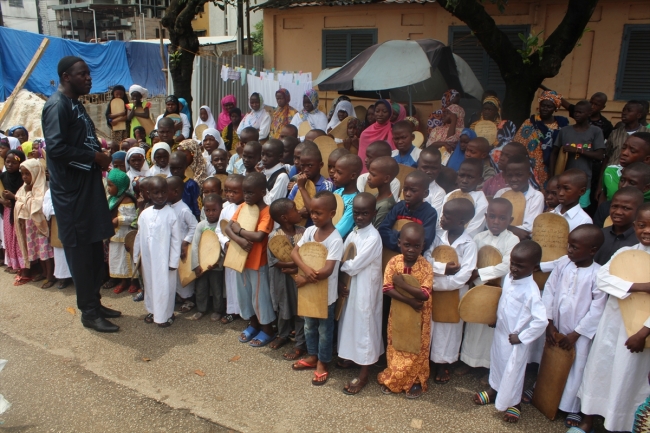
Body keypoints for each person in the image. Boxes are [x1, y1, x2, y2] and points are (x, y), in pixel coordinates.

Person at [42, 56, 118, 333]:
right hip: (71, 194)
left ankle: (95, 302)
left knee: (95, 248)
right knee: (81, 253)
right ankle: (88, 311)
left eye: (89, 73)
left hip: (86, 187)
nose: (89, 78)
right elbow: (57, 149)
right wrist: (94, 157)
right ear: (65, 77)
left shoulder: (75, 104)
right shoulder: (57, 106)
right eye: (82, 74)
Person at [576, 203, 650, 433]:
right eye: (642, 225)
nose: (646, 230)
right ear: (635, 226)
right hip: (613, 324)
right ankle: (588, 418)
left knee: (626, 376)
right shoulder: (623, 253)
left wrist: (644, 332)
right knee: (601, 367)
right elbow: (602, 279)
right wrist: (641, 287)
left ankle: (616, 423)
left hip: (638, 331)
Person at [538, 224, 606, 428]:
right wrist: (549, 322)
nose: (569, 250)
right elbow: (549, 290)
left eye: (575, 247)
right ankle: (543, 393)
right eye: (569, 245)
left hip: (579, 333)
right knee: (550, 359)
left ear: (592, 250)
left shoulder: (598, 274)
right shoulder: (562, 264)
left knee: (577, 366)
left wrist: (576, 334)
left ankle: (571, 406)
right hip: (556, 326)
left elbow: (598, 308)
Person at [473, 240, 546, 424]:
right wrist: (495, 318)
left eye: (520, 266)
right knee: (497, 363)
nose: (514, 268)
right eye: (513, 263)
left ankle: (515, 403)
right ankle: (494, 390)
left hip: (516, 340)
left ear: (534, 267)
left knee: (513, 371)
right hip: (501, 332)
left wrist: (521, 337)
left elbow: (541, 321)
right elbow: (503, 301)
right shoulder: (509, 278)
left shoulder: (531, 291)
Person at [458, 199, 519, 375]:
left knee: (490, 331)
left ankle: (487, 368)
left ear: (510, 220)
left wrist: (480, 273)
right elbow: (470, 261)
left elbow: (507, 265)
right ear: (485, 217)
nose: (496, 222)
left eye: (502, 218)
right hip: (477, 289)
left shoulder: (512, 240)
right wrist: (473, 276)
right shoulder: (478, 238)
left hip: (497, 291)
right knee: (474, 325)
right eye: (492, 217)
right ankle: (469, 362)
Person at [290, 191, 343, 386]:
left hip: (325, 295)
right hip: (309, 292)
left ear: (332, 213)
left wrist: (304, 279)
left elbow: (328, 270)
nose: (313, 216)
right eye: (312, 212)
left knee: (324, 330)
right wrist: (304, 271)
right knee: (309, 325)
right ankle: (312, 356)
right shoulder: (310, 231)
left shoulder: (335, 239)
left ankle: (323, 362)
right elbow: (295, 252)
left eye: (318, 213)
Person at [377, 222, 433, 398]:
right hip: (399, 313)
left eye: (416, 246)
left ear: (422, 246)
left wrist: (401, 284)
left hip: (419, 316)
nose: (411, 249)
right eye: (407, 245)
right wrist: (409, 300)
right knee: (397, 344)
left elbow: (424, 294)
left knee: (416, 348)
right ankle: (394, 378)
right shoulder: (394, 262)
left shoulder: (425, 267)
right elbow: (386, 288)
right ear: (399, 243)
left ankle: (416, 381)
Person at [427, 198, 477, 384]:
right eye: (443, 213)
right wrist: (442, 269)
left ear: (461, 221)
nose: (442, 218)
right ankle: (428, 358)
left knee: (448, 329)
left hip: (453, 292)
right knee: (430, 324)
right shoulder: (437, 236)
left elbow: (465, 275)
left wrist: (438, 285)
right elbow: (427, 259)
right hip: (433, 285)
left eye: (447, 216)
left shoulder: (468, 244)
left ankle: (443, 362)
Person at [337, 193, 383, 395]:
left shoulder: (373, 237)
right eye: (356, 213)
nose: (360, 217)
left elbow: (353, 265)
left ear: (374, 213)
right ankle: (350, 356)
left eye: (365, 213)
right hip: (351, 286)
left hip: (365, 289)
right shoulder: (355, 232)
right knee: (350, 322)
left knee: (365, 327)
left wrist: (337, 265)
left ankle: (364, 374)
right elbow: (345, 253)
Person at [225, 172, 276, 347]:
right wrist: (239, 239)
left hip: (257, 263)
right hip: (240, 259)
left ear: (262, 191)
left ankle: (267, 329)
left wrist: (239, 231)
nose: (246, 196)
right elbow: (228, 227)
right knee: (245, 295)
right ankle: (253, 324)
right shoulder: (243, 207)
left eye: (250, 193)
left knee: (260, 297)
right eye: (244, 192)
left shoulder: (267, 211)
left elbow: (259, 236)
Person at [133, 176, 181, 328]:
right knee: (151, 285)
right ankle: (154, 310)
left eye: (163, 192)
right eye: (155, 193)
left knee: (166, 287)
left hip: (165, 261)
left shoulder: (171, 214)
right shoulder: (144, 214)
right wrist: (136, 256)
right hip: (148, 259)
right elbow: (139, 235)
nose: (160, 196)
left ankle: (167, 314)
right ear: (149, 193)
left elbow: (176, 240)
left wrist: (173, 261)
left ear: (167, 192)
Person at [266, 198, 306, 357]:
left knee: (300, 310)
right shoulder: (274, 236)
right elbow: (273, 261)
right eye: (295, 210)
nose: (299, 212)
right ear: (284, 217)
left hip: (299, 279)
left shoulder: (303, 232)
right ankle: (282, 334)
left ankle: (300, 343)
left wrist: (296, 268)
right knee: (284, 307)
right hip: (281, 280)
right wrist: (291, 265)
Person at [550, 100, 605, 208]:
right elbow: (554, 153)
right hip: (563, 181)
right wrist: (552, 177)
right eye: (575, 112)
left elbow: (599, 155)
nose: (576, 115)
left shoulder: (595, 131)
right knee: (561, 208)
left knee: (580, 209)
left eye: (580, 112)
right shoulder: (565, 131)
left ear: (589, 113)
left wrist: (577, 150)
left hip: (584, 181)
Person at [513, 90, 569, 187]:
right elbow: (518, 144)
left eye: (549, 106)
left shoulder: (560, 125)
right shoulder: (529, 123)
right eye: (543, 105)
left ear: (555, 108)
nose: (545, 109)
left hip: (551, 169)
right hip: (530, 168)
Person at [14, 158, 56, 288]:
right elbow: (19, 200)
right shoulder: (25, 187)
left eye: (28, 174)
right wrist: (24, 199)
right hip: (30, 225)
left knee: (45, 251)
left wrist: (24, 199)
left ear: (36, 173)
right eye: (23, 174)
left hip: (40, 225)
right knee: (37, 249)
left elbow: (36, 205)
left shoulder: (41, 187)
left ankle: (50, 276)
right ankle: (43, 272)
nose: (25, 177)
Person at [379, 170, 437, 254]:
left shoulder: (430, 214)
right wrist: (401, 245)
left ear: (425, 193)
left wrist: (396, 234)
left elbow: (425, 241)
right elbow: (383, 229)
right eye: (405, 189)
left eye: (413, 191)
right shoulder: (398, 207)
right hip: (391, 253)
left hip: (414, 258)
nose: (407, 194)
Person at [188, 194, 224, 321]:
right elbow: (195, 246)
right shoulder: (201, 225)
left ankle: (217, 310)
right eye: (207, 210)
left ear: (221, 209)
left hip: (216, 265)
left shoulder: (222, 226)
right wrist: (196, 265)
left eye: (214, 210)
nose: (211, 213)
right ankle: (201, 309)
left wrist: (219, 262)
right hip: (202, 264)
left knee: (217, 288)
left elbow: (224, 246)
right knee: (201, 288)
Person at [494, 154, 545, 240]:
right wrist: (512, 228)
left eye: (519, 175)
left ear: (529, 175)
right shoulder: (501, 193)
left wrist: (501, 227)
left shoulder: (536, 196)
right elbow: (490, 221)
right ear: (505, 175)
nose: (513, 179)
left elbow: (528, 230)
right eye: (510, 175)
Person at [216, 174, 244, 324]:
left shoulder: (248, 208)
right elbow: (219, 230)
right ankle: (233, 310)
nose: (230, 195)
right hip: (230, 251)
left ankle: (247, 313)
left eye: (234, 192)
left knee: (244, 283)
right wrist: (225, 242)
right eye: (227, 191)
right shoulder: (226, 208)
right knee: (232, 282)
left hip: (244, 251)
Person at [167, 176, 198, 312]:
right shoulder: (168, 207)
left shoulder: (184, 209)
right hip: (171, 247)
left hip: (182, 248)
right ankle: (179, 296)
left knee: (184, 274)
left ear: (176, 191)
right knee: (174, 274)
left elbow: (194, 226)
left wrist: (185, 243)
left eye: (165, 191)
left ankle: (189, 300)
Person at [104, 168, 136, 294]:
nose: (108, 188)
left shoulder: (127, 200)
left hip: (124, 236)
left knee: (127, 260)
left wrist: (119, 220)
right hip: (114, 236)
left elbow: (133, 218)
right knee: (118, 260)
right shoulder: (111, 199)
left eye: (111, 186)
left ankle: (133, 281)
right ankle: (123, 281)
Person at [594, 187, 642, 266]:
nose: (618, 212)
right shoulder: (599, 235)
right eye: (614, 206)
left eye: (626, 208)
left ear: (638, 211)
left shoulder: (640, 241)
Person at [441, 158, 489, 238]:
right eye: (461, 175)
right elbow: (441, 220)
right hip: (443, 238)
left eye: (470, 177)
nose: (464, 180)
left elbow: (473, 230)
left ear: (480, 180)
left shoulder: (481, 202)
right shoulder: (449, 195)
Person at [288, 146, 334, 226]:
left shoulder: (326, 185)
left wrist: (302, 188)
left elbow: (313, 211)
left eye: (310, 166)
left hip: (316, 229)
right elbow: (287, 209)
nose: (305, 169)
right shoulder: (297, 185)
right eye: (302, 166)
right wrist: (299, 212)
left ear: (320, 165)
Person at [594, 162, 650, 228]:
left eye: (632, 183)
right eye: (622, 180)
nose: (624, 186)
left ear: (646, 188)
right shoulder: (605, 208)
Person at [602, 131, 650, 201]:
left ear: (647, 159)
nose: (624, 153)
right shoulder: (610, 172)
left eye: (632, 151)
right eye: (624, 147)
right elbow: (604, 195)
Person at [470, 96, 517, 163]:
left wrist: (492, 147)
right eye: (485, 109)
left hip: (493, 159)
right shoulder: (474, 125)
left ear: (496, 111)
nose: (486, 112)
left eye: (490, 110)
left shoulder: (502, 127)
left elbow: (503, 143)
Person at [0, 150, 26, 276]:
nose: (10, 165)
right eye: (7, 162)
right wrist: (3, 201)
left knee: (18, 237)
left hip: (18, 211)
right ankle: (13, 263)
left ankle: (22, 265)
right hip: (7, 210)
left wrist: (13, 196)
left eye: (14, 163)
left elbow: (25, 196)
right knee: (9, 236)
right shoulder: (3, 177)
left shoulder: (23, 177)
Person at [42, 188, 72, 289]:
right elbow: (46, 207)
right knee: (60, 250)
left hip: (73, 220)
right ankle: (63, 277)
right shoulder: (51, 190)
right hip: (58, 220)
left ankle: (76, 276)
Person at [358, 101, 394, 171]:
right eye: (377, 111)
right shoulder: (365, 133)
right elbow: (362, 157)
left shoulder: (393, 130)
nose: (380, 114)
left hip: (387, 169)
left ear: (390, 113)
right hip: (367, 171)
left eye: (384, 111)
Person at [332, 154, 362, 238]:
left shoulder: (355, 202)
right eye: (335, 171)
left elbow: (339, 231)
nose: (334, 175)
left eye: (339, 172)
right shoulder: (337, 192)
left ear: (352, 176)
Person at [368, 156, 399, 228]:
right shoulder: (376, 196)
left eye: (373, 175)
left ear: (386, 178)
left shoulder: (386, 205)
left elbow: (376, 229)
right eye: (369, 173)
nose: (369, 177)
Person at [261, 139, 289, 205]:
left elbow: (271, 203)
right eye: (262, 154)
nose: (263, 158)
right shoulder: (265, 172)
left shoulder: (281, 177)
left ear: (280, 157)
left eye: (268, 156)